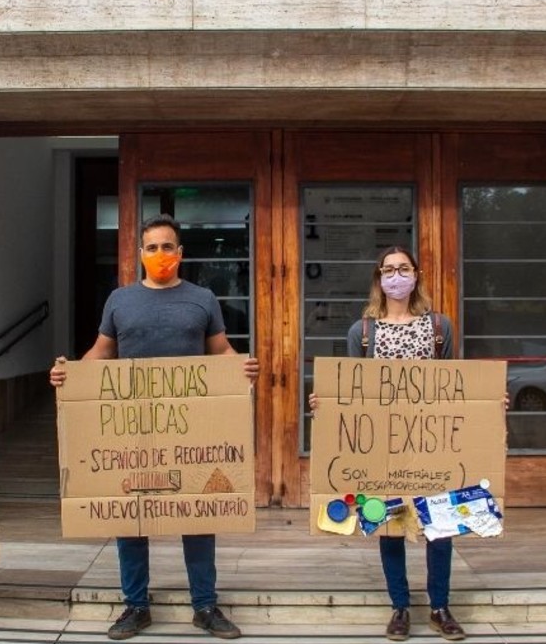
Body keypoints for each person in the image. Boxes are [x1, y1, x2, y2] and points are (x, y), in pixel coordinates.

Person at [49, 214, 259, 641]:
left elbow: (219, 349)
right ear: (140, 254)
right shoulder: (119, 300)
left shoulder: (203, 298)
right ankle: (135, 606)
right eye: (152, 248)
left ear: (180, 254)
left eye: (167, 247)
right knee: (132, 516)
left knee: (198, 511)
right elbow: (102, 351)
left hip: (190, 427)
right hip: (133, 428)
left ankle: (205, 605)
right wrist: (70, 372)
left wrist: (241, 366)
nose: (160, 255)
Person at [309, 246, 465, 642]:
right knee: (390, 521)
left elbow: (455, 385)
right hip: (381, 443)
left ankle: (440, 606)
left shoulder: (439, 328)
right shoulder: (362, 332)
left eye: (404, 269)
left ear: (417, 275)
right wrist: (326, 401)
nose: (397, 276)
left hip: (430, 440)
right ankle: (399, 606)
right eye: (389, 270)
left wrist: (487, 403)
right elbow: (351, 390)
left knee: (438, 525)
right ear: (379, 279)